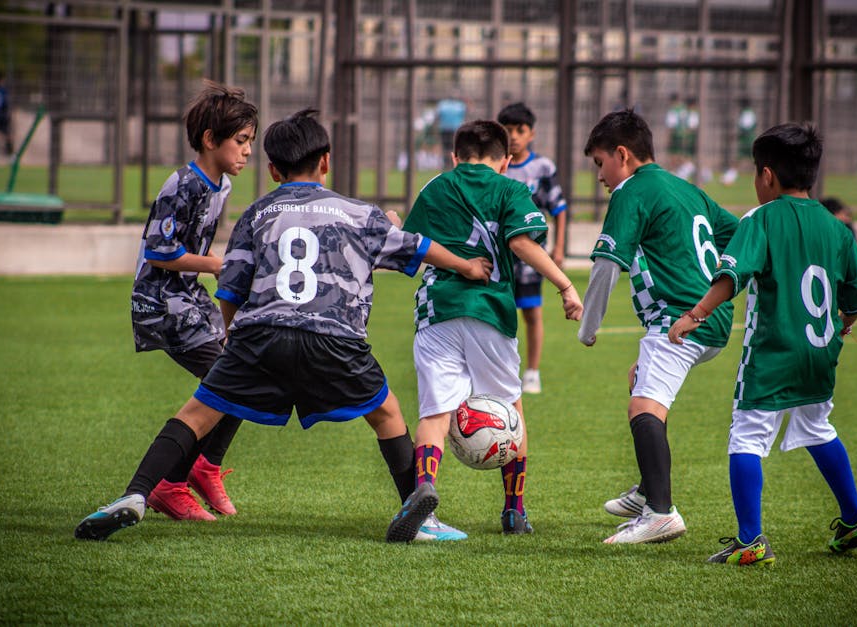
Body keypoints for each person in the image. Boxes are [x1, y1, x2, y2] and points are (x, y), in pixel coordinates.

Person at [75, 109, 493, 542]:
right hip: (335, 339)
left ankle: (135, 495)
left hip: (260, 335)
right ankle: (420, 517)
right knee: (386, 413)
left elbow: (230, 291)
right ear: (326, 161)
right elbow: (421, 247)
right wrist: (467, 265)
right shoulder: (359, 214)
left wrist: (236, 340)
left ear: (273, 169)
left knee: (197, 414)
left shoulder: (255, 215)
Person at [668, 122, 857, 566]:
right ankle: (854, 519)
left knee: (746, 436)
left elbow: (733, 276)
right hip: (819, 354)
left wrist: (695, 315)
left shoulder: (761, 219)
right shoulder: (836, 227)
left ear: (766, 175)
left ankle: (750, 541)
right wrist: (840, 329)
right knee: (819, 427)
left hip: (773, 352)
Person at [388, 119, 583, 543]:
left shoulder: (436, 186)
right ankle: (514, 511)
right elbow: (521, 243)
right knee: (510, 406)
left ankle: (424, 489)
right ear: (507, 159)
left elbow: (408, 246)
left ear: (454, 157)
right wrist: (565, 285)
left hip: (438, 310)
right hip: (491, 315)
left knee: (435, 413)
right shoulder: (511, 189)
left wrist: (394, 222)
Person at [578, 108, 738, 544]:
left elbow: (607, 265)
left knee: (643, 406)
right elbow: (738, 235)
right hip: (709, 316)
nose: (600, 176)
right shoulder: (687, 190)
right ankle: (649, 490)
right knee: (642, 384)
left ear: (622, 155)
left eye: (600, 163)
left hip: (680, 319)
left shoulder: (631, 191)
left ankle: (660, 513)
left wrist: (587, 326)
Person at [130, 80, 257, 521]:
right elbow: (159, 253)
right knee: (232, 379)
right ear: (209, 140)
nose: (246, 153)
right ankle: (171, 484)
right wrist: (216, 264)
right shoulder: (181, 184)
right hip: (163, 303)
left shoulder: (219, 185)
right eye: (241, 142)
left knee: (247, 372)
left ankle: (206, 468)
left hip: (189, 298)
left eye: (250, 144)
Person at [497, 102, 569, 394]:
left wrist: (559, 247)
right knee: (499, 311)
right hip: (500, 255)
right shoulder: (496, 166)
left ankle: (532, 372)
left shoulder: (542, 167)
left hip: (530, 258)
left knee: (531, 313)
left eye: (520, 130)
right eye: (508, 130)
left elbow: (559, 208)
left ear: (531, 134)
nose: (513, 136)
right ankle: (502, 369)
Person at [721, 98, 757, 186]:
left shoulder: (747, 113)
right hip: (748, 140)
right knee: (741, 160)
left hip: (747, 141)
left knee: (739, 160)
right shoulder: (749, 112)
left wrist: (735, 136)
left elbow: (746, 128)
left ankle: (728, 178)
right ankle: (729, 178)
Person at [436, 94, 467, 171]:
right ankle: (454, 164)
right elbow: (465, 115)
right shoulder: (460, 105)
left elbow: (438, 116)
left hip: (445, 129)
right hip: (456, 129)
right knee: (455, 148)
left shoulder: (442, 105)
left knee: (445, 147)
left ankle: (446, 164)